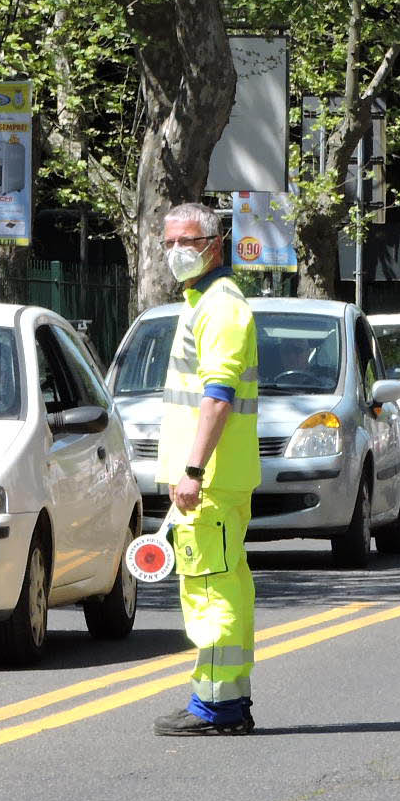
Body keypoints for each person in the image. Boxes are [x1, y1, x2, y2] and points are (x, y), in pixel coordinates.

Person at [152, 202, 261, 736]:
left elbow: (218, 397)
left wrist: (191, 470)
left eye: (187, 242)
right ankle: (226, 700)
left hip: (209, 482)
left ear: (215, 245)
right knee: (230, 588)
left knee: (209, 591)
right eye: (169, 242)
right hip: (221, 478)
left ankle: (214, 708)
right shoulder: (207, 301)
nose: (176, 252)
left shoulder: (219, 307)